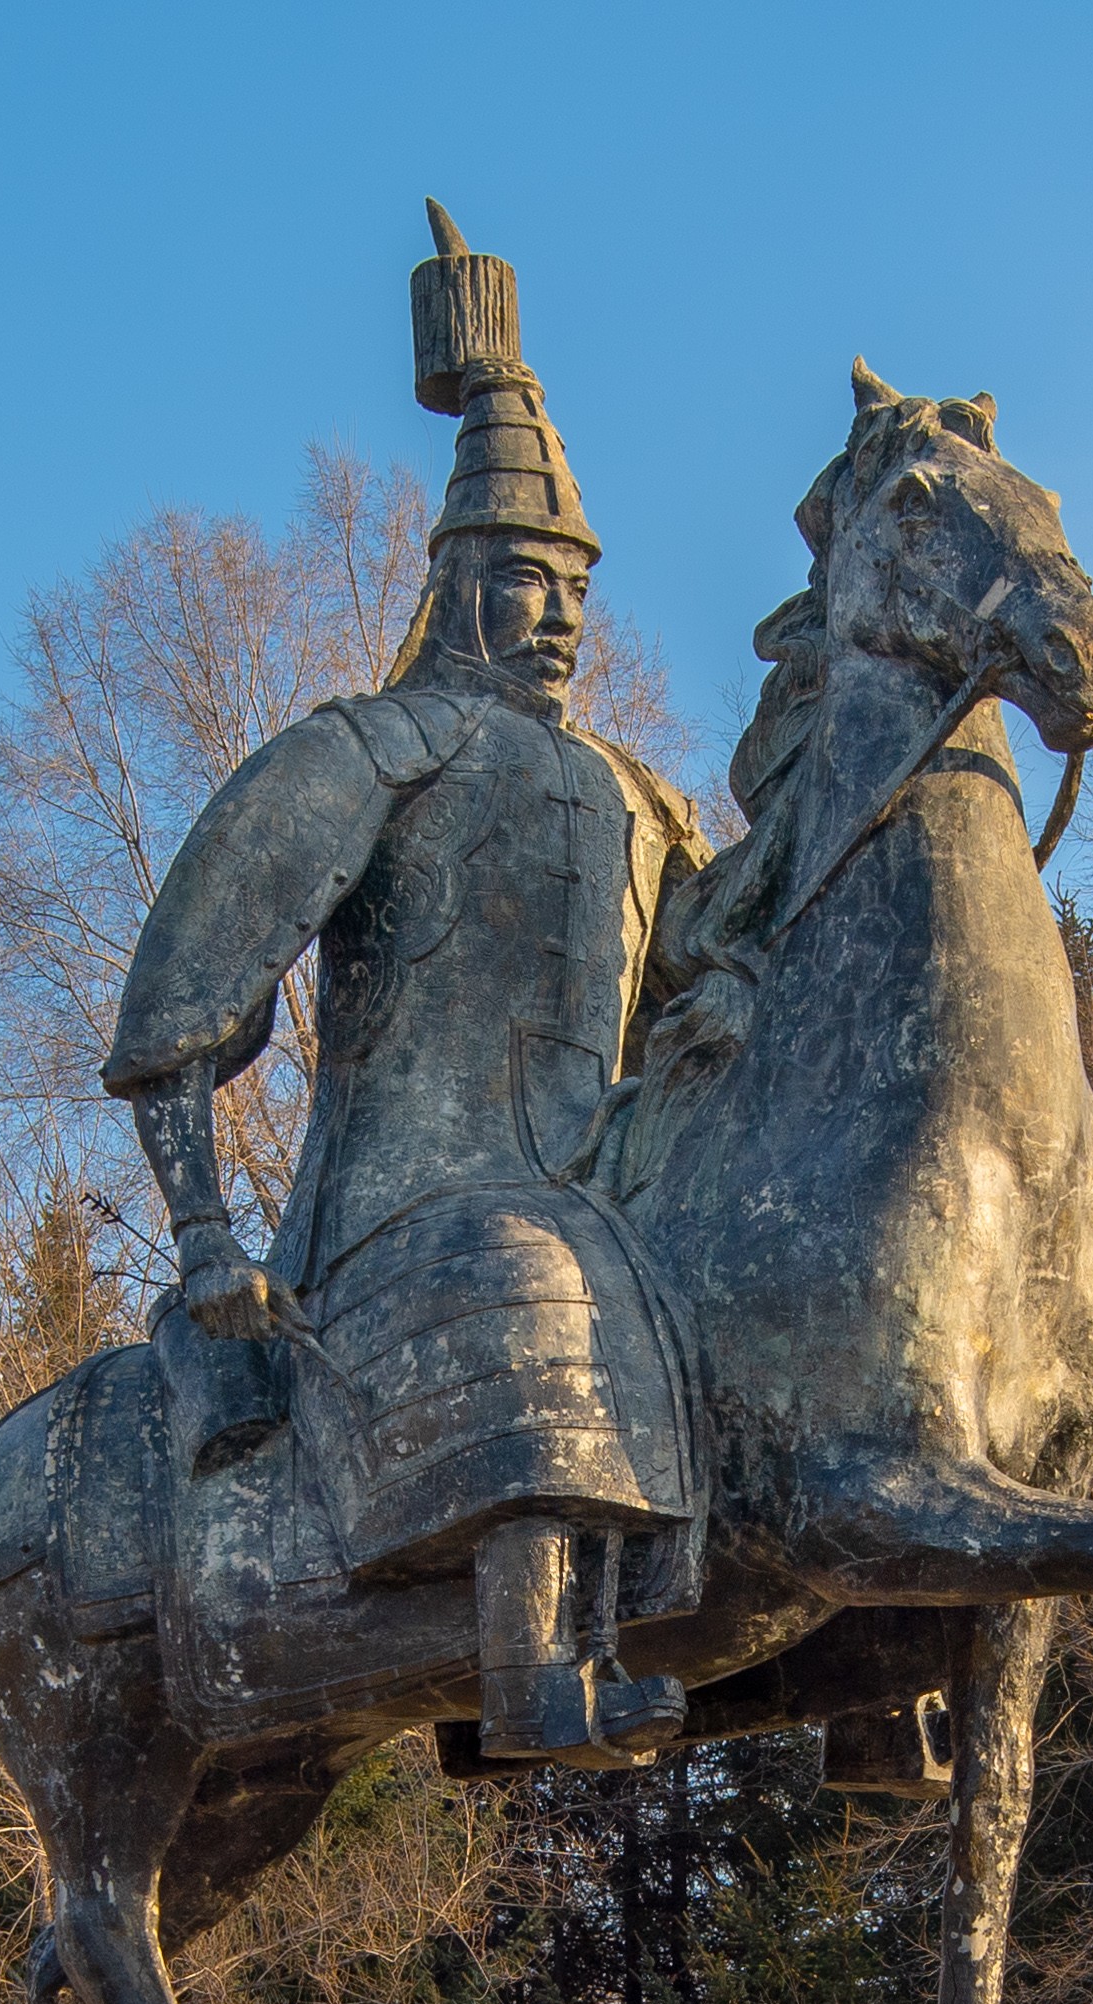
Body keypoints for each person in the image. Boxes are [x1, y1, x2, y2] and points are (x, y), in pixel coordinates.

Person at [96, 209, 710, 1767]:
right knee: (524, 1274)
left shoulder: (643, 799)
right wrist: (206, 1237)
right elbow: (186, 996)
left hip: (604, 1195)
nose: (557, 610)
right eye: (521, 576)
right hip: (408, 1215)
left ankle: (855, 1654)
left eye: (574, 580)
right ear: (453, 584)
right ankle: (527, 1675)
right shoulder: (374, 748)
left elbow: (725, 976)